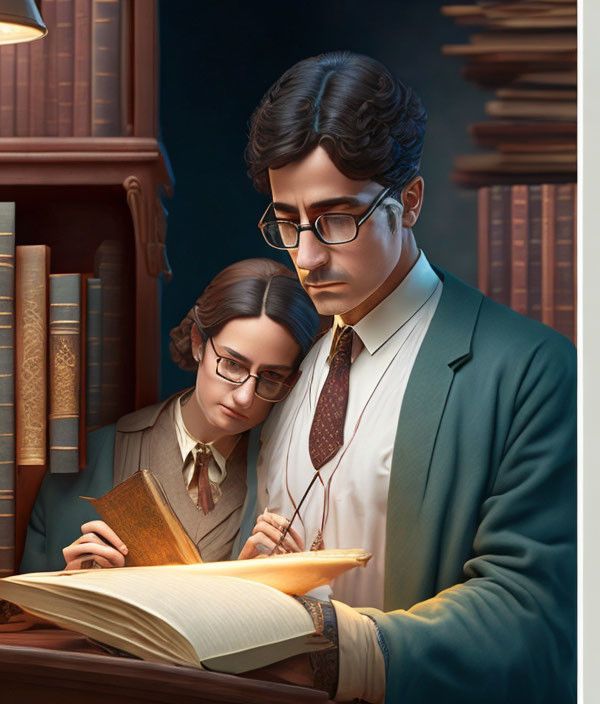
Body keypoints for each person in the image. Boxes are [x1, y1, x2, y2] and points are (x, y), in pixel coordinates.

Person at [240, 52, 576, 703]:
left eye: (338, 219)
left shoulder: (532, 369)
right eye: (288, 222)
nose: (306, 257)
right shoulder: (284, 361)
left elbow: (537, 618)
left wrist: (344, 652)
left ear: (410, 201)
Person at [20, 258, 320, 573]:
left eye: (270, 377)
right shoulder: (91, 459)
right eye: (232, 364)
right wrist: (70, 584)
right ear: (197, 344)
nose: (245, 397)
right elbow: (20, 609)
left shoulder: (287, 471)